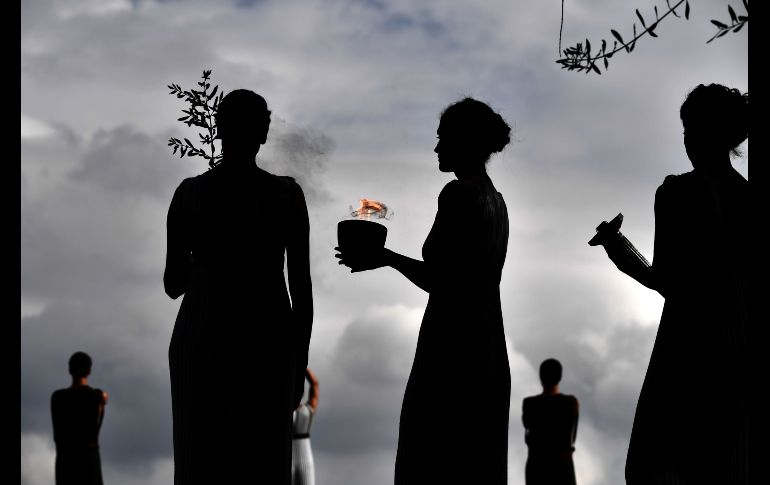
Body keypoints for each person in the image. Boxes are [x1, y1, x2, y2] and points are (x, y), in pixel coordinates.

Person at [336, 97, 512, 484]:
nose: (436, 148)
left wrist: (385, 257)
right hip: (487, 350)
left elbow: (442, 280)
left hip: (451, 349)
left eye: (442, 138)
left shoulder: (457, 194)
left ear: (464, 142)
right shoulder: (497, 203)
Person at [598, 84, 749, 484]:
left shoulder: (678, 191)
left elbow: (666, 280)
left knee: (663, 464)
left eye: (688, 130)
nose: (685, 140)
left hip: (688, 350)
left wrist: (616, 247)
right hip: (740, 347)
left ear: (700, 133)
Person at [164, 89, 313, 484]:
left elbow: (173, 283)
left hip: (201, 335)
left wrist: (208, 259)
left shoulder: (188, 194)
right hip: (268, 339)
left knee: (201, 457)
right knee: (262, 459)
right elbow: (301, 288)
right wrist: (299, 361)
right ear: (263, 133)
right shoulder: (287, 195)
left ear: (219, 129)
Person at [50, 351, 109, 485]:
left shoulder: (57, 397)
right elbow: (104, 398)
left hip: (65, 461)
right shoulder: (97, 396)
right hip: (89, 460)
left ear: (70, 370)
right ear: (89, 371)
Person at [522, 358, 578, 485]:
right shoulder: (571, 402)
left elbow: (526, 424)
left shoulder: (529, 404)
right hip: (563, 467)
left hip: (537, 467)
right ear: (560, 377)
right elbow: (573, 432)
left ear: (541, 377)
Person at [291, 368, 319, 485]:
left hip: (306, 459)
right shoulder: (308, 409)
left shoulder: (308, 409)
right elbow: (314, 383)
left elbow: (314, 383)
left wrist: (301, 367)